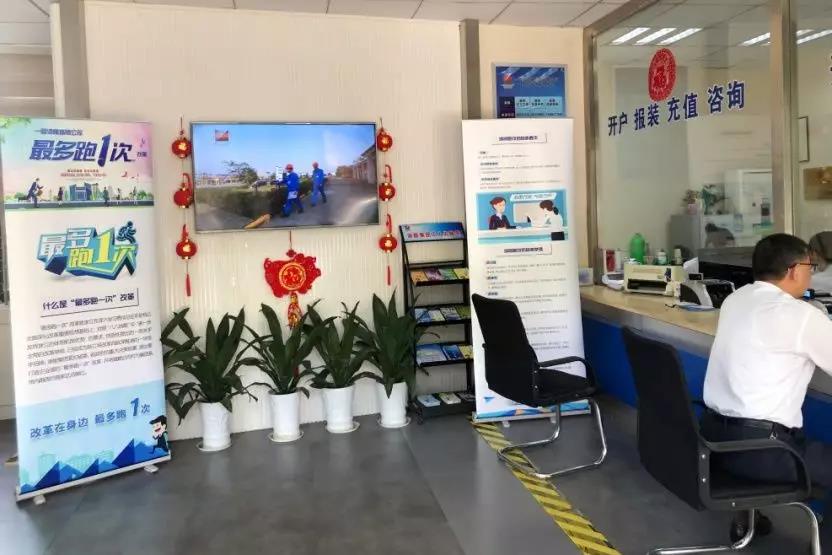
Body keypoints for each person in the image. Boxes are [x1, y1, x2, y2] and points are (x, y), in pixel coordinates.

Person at [701, 233, 832, 538]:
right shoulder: (801, 315)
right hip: (763, 452)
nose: (811, 274)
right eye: (810, 267)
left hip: (711, 441)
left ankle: (748, 515)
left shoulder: (735, 300)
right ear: (793, 271)